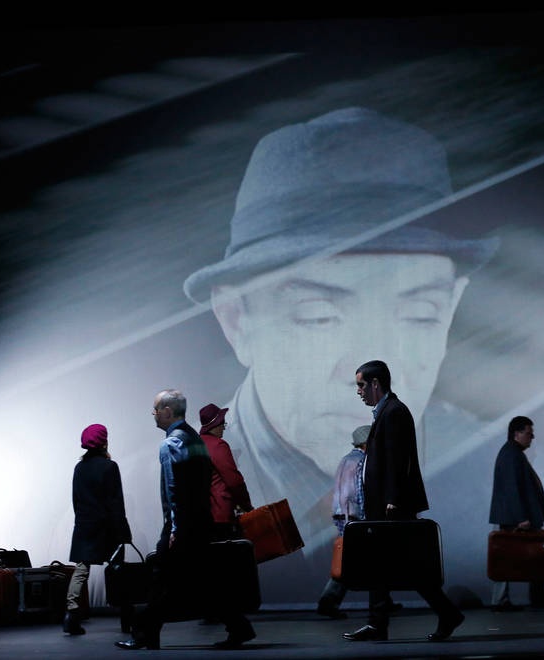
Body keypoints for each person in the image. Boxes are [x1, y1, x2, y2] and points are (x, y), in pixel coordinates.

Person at [181, 107, 501, 555]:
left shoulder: (528, 487)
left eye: (419, 314)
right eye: (318, 316)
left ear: (450, 311)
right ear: (236, 319)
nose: (371, 376)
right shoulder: (151, 502)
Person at [115, 389, 256, 650]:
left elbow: (173, 489)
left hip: (182, 524)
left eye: (156, 409)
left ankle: (145, 632)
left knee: (164, 578)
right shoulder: (195, 439)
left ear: (168, 411)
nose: (153, 413)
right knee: (203, 579)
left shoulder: (171, 443)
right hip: (201, 520)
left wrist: (175, 528)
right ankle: (238, 626)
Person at [343, 360, 465, 642]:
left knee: (407, 565)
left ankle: (442, 613)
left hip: (391, 506)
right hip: (385, 505)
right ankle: (379, 623)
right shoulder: (386, 411)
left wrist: (392, 499)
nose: (358, 391)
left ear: (375, 384)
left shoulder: (394, 411)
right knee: (384, 565)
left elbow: (398, 459)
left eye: (361, 385)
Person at [62, 423, 132, 635]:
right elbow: (115, 502)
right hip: (107, 526)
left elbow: (75, 500)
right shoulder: (110, 467)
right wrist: (123, 531)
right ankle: (126, 616)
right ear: (104, 442)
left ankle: (71, 613)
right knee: (118, 571)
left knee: (81, 570)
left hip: (85, 525)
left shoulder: (79, 468)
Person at [488, 415, 544, 611]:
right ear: (516, 433)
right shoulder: (512, 454)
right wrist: (521, 518)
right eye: (528, 433)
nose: (531, 437)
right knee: (507, 558)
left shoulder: (513, 453)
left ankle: (529, 598)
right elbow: (512, 489)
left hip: (516, 518)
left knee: (515, 557)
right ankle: (502, 601)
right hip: (515, 519)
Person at [316, 424, 369, 619]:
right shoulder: (361, 461)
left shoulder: (346, 459)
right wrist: (361, 517)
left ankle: (382, 600)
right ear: (366, 443)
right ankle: (328, 601)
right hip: (353, 516)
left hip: (343, 514)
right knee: (350, 559)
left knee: (354, 558)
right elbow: (356, 492)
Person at [197, 403, 253, 542]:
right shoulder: (218, 445)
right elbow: (234, 481)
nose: (223, 426)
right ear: (215, 424)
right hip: (223, 516)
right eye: (222, 422)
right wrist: (247, 506)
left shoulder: (194, 445)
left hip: (204, 518)